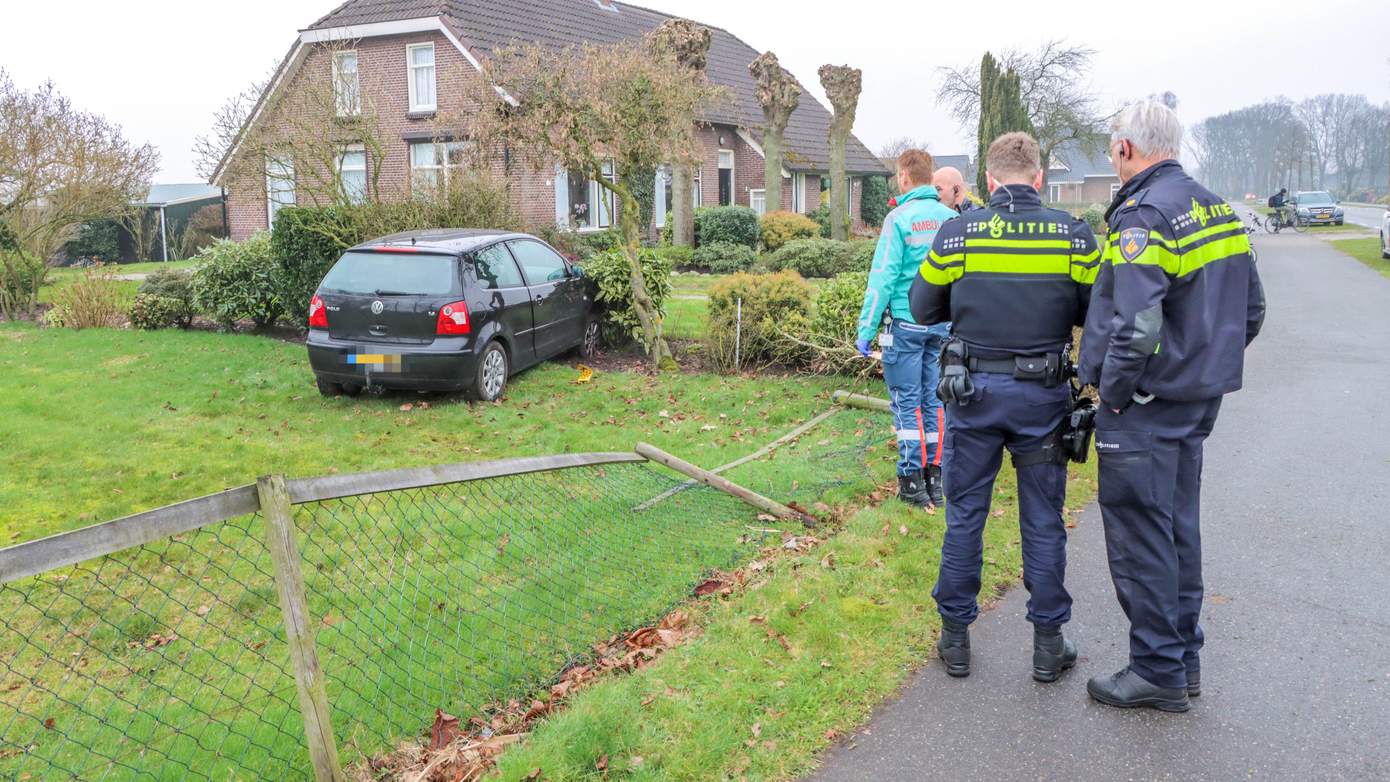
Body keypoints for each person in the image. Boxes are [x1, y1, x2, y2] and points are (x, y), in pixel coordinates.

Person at [1080, 99, 1265, 712]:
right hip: (1195, 398)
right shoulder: (1215, 206)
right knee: (1176, 524)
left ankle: (1157, 669)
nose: (1112, 155)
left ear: (1127, 149)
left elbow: (1133, 326)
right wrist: (1203, 366)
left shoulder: (1143, 216)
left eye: (1112, 147)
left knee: (1140, 533)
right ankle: (1182, 659)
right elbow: (1252, 309)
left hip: (1147, 404)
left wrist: (1114, 394)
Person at [909, 132, 1101, 681]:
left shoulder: (957, 234)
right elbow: (1095, 310)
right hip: (1041, 398)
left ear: (989, 180)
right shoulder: (1074, 236)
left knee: (966, 513)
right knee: (1043, 520)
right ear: (1038, 177)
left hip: (973, 394)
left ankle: (955, 639)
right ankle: (1047, 645)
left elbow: (923, 307)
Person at [856, 149, 957, 509]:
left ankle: (911, 480)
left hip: (907, 324)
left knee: (906, 403)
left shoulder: (898, 219)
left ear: (904, 177)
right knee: (936, 402)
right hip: (943, 327)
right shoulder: (950, 219)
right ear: (930, 177)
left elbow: (882, 278)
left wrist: (866, 330)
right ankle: (936, 477)